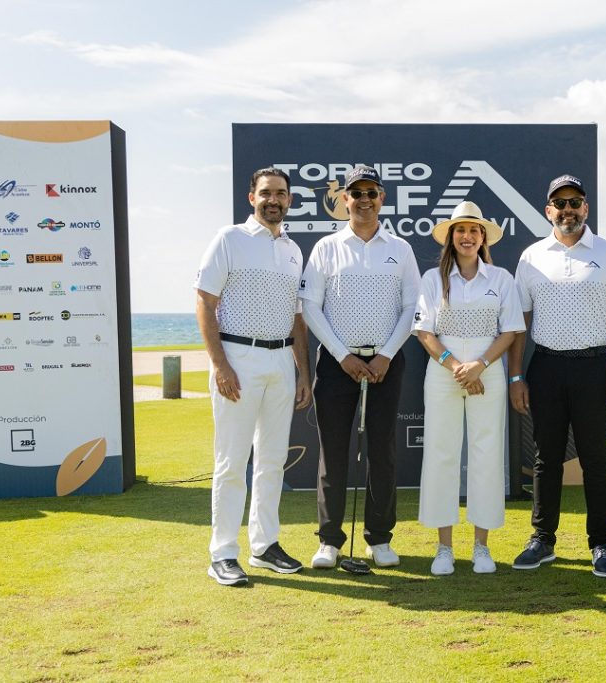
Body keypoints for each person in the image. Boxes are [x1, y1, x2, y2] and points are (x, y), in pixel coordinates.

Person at [508, 174, 606, 578]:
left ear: (585, 207)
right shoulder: (532, 257)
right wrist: (516, 377)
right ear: (548, 210)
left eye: (574, 202)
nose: (567, 210)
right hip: (546, 367)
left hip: (593, 368)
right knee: (546, 457)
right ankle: (542, 538)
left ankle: (601, 543)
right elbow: (519, 325)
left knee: (595, 457)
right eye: (560, 203)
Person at [195, 167, 312, 586]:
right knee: (231, 462)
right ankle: (223, 553)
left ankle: (264, 545)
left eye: (280, 194)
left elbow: (297, 317)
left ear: (290, 201)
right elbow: (205, 301)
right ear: (252, 198)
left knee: (272, 460)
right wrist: (220, 364)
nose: (273, 200)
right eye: (265, 193)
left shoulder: (293, 250)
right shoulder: (229, 239)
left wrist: (303, 371)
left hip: (281, 362)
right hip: (238, 359)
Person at [300, 165, 421, 569]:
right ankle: (329, 541)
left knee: (382, 452)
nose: (364, 199)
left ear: (381, 198)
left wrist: (385, 354)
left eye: (371, 192)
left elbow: (412, 307)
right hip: (338, 364)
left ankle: (379, 538)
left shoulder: (400, 248)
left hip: (386, 362)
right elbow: (310, 307)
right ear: (345, 199)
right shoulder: (327, 248)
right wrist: (343, 356)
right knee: (333, 453)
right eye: (356, 193)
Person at [412, 201, 525, 575]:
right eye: (460, 230)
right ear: (451, 237)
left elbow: (510, 331)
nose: (467, 236)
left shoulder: (501, 279)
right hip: (444, 372)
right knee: (441, 453)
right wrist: (456, 367)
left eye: (474, 230)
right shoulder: (433, 279)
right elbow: (424, 331)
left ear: (482, 238)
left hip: (487, 371)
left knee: (486, 454)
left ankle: (481, 547)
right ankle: (444, 548)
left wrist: (479, 366)